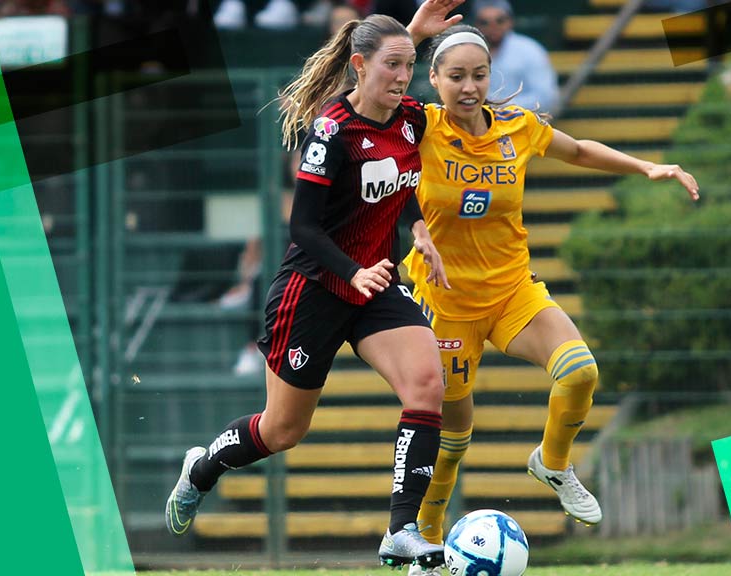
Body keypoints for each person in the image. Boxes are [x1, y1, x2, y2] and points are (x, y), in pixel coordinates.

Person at [165, 4, 467, 569]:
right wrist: (351, 269)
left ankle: (402, 530)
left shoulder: (412, 120)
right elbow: (301, 225)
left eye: (409, 67)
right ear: (358, 65)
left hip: (375, 287)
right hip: (313, 290)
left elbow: (404, 185)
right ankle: (202, 468)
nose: (404, 78)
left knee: (428, 384)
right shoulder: (332, 130)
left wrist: (420, 226)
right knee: (282, 430)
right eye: (392, 67)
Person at [400, 15, 701, 563]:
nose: (470, 87)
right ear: (435, 81)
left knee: (580, 370)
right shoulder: (418, 126)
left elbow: (580, 150)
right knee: (452, 435)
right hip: (446, 301)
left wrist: (646, 167)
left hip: (513, 290)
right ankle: (426, 540)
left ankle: (553, 463)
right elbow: (359, 108)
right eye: (457, 76)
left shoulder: (516, 126)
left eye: (480, 74)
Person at [472, 0, 557, 111]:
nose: (493, 27)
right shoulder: (469, 51)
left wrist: (502, 107)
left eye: (499, 21)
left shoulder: (530, 50)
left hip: (522, 122)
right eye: (485, 22)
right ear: (476, 24)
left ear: (510, 22)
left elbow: (546, 97)